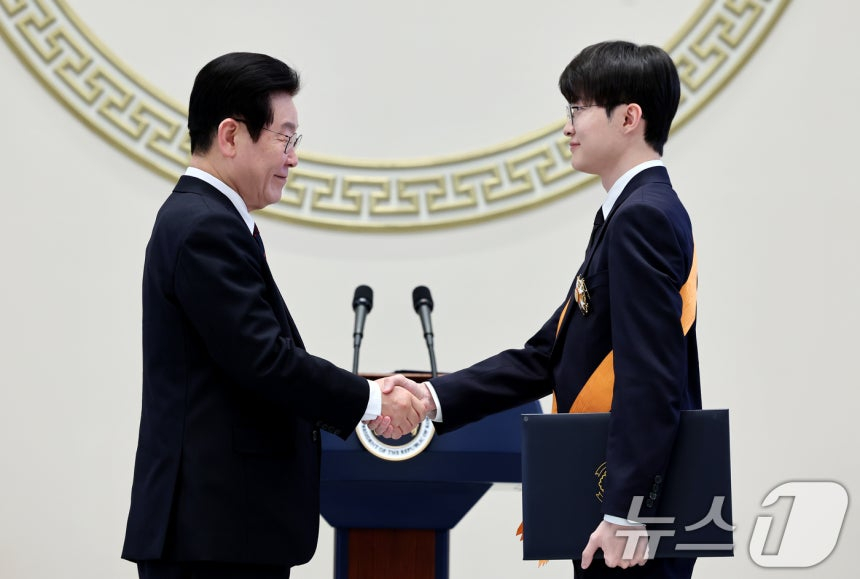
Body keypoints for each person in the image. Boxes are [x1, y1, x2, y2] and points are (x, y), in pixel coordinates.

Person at [371, 40, 700, 578]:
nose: (567, 127)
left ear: (628, 118)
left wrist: (626, 511)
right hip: (617, 508)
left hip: (628, 524)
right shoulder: (631, 213)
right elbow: (548, 355)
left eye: (578, 109)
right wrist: (432, 397)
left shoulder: (643, 217)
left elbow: (651, 377)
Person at [121, 52, 424, 579]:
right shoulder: (204, 226)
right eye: (284, 139)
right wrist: (372, 399)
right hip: (211, 534)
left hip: (222, 530)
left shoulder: (207, 219)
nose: (293, 158)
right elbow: (264, 360)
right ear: (231, 135)